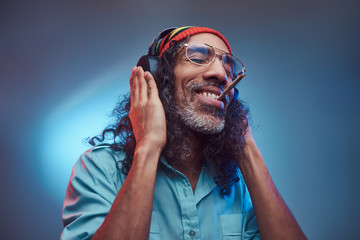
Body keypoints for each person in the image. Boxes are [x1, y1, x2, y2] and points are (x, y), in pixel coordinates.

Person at [61, 26, 307, 240]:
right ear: (159, 79)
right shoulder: (99, 168)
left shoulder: (239, 182)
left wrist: (248, 151)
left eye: (228, 67)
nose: (221, 75)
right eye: (198, 57)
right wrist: (148, 146)